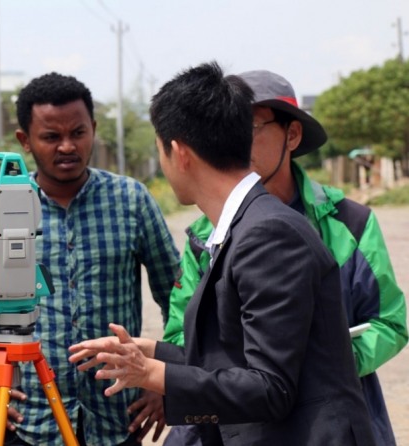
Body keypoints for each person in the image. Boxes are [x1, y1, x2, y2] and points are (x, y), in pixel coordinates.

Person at [68, 62, 376, 445]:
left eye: (160, 151)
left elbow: (270, 388)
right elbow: (236, 359)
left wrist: (150, 373)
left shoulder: (268, 233)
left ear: (179, 152)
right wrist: (152, 351)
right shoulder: (244, 224)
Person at [161, 69, 408, 446]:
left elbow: (391, 323)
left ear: (292, 135)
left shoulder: (349, 222)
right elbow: (184, 331)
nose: (236, 139)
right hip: (241, 414)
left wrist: (314, 362)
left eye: (249, 126)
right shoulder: (205, 233)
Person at [0, 72, 180, 445]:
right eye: (51, 137)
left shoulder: (132, 200)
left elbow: (178, 297)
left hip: (116, 420)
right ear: (25, 141)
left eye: (78, 133)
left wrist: (166, 381)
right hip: (26, 424)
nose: (67, 146)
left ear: (93, 129)